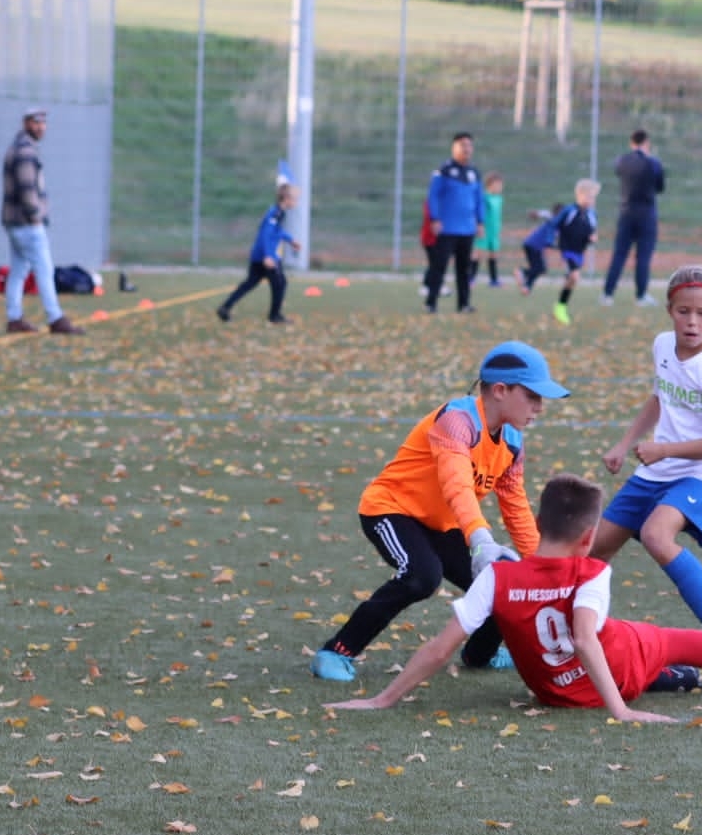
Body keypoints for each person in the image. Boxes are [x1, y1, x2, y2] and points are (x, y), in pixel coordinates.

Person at [324, 474, 702, 723]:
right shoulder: (592, 570)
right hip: (610, 677)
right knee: (666, 638)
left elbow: (440, 648)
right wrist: (620, 711)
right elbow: (585, 639)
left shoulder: (498, 577)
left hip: (553, 692)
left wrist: (382, 699)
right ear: (589, 538)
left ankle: (669, 679)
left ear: (537, 523)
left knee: (638, 649)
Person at [311, 341, 569, 682]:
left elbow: (516, 508)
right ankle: (337, 651)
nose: (540, 407)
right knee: (421, 576)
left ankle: (479, 655)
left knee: (505, 581)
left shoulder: (512, 441)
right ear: (500, 390)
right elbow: (457, 486)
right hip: (392, 509)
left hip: (445, 523)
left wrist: (542, 567)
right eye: (533, 396)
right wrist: (480, 540)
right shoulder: (457, 421)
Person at [592, 264, 702, 637]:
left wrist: (663, 450)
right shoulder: (663, 345)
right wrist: (623, 445)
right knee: (594, 549)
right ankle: (582, 631)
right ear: (669, 311)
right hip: (662, 466)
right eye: (683, 311)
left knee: (657, 535)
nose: (692, 321)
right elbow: (659, 398)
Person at [1, 107, 83, 335]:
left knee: (18, 271)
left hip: (14, 221)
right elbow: (27, 188)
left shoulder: (17, 147)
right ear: (26, 123)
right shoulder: (25, 152)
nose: (40, 127)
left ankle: (14, 317)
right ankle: (55, 317)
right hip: (26, 222)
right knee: (44, 270)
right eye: (36, 123)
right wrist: (35, 215)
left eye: (43, 123)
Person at [216, 180, 299, 324]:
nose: (296, 202)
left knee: (250, 283)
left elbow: (277, 231)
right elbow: (266, 233)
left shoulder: (277, 212)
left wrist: (290, 240)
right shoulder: (276, 213)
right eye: (295, 199)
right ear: (286, 199)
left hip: (259, 254)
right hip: (266, 256)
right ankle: (275, 316)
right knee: (280, 283)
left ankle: (225, 307)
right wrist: (268, 256)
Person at [424, 132, 485, 314]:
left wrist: (480, 221)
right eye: (462, 145)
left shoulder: (474, 173)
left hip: (467, 229)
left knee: (464, 269)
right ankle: (431, 302)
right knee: (439, 266)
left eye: (469, 145)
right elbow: (433, 196)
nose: (466, 149)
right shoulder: (443, 171)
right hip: (447, 228)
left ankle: (463, 304)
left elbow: (479, 199)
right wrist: (435, 219)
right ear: (454, 147)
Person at [604, 129, 665, 306]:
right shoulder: (653, 163)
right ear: (646, 143)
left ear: (631, 143)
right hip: (647, 215)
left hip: (626, 213)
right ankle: (641, 295)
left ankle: (607, 294)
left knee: (619, 254)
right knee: (643, 256)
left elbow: (618, 172)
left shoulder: (622, 161)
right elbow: (660, 187)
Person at [548, 179, 599, 325]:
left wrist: (592, 238)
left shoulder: (592, 214)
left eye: (593, 197)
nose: (591, 200)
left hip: (579, 252)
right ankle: (560, 308)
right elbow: (554, 224)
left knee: (571, 281)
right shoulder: (569, 211)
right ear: (579, 195)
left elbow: (591, 232)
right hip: (567, 249)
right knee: (575, 277)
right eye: (589, 196)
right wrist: (551, 240)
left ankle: (560, 307)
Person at [515, 203, 565, 296]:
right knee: (540, 268)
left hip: (532, 245)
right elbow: (545, 214)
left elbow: (551, 243)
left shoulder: (557, 226)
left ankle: (526, 288)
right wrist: (536, 214)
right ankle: (522, 272)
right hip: (534, 245)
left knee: (537, 268)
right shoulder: (553, 220)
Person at [474, 172, 506, 288]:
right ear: (489, 185)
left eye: (501, 185)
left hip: (494, 231)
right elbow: (479, 212)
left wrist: (499, 229)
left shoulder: (499, 198)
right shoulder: (484, 197)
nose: (500, 188)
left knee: (494, 254)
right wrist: (479, 225)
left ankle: (493, 280)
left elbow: (497, 215)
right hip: (484, 230)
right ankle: (470, 278)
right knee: (477, 254)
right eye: (497, 185)